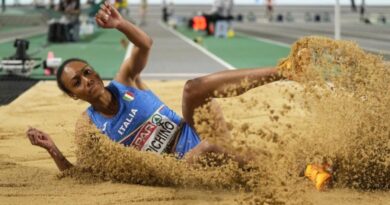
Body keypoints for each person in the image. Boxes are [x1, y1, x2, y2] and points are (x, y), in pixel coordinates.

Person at [26, 1, 332, 190]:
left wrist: (120, 24)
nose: (87, 80)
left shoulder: (125, 81)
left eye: (88, 72)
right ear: (74, 96)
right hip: (181, 166)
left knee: (192, 88)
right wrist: (53, 149)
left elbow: (144, 45)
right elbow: (84, 175)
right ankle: (303, 169)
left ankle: (285, 71)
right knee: (212, 147)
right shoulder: (89, 127)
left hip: (196, 131)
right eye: (77, 83)